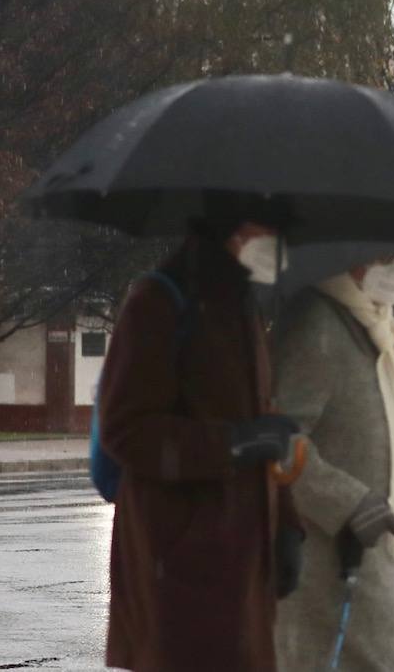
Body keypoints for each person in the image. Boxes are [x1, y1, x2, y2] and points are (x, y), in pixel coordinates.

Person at [99, 216, 298, 672]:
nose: (279, 243)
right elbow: (126, 429)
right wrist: (232, 444)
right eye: (270, 228)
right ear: (235, 228)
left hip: (241, 559)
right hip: (179, 566)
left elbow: (260, 422)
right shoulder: (160, 301)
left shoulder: (243, 307)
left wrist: (287, 526)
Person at [272, 254, 394, 671]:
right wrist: (346, 501)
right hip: (331, 558)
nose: (392, 269)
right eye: (379, 257)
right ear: (347, 259)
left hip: (374, 552)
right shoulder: (316, 322)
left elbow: (378, 422)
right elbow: (279, 437)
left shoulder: (375, 326)